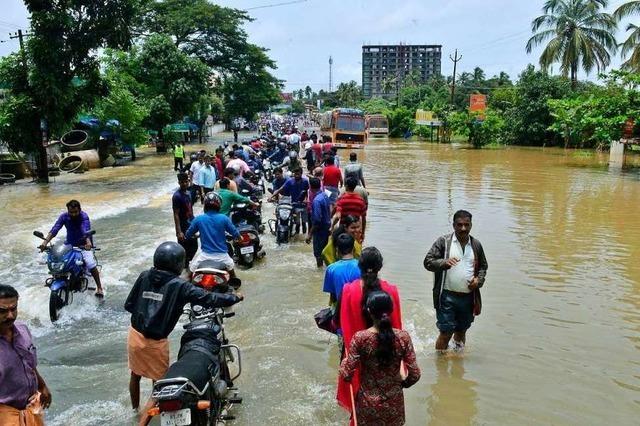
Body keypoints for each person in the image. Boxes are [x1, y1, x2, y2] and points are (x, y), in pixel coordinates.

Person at [124, 242, 243, 425]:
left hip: (135, 335)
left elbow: (129, 305)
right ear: (178, 264)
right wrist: (234, 297)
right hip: (156, 342)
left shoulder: (144, 275)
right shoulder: (179, 285)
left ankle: (135, 411)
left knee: (135, 375)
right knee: (161, 389)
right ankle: (142, 423)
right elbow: (209, 298)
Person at [337, 247, 403, 419]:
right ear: (380, 266)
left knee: (358, 408)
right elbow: (397, 328)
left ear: (360, 266)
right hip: (385, 357)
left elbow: (342, 325)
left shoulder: (348, 291)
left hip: (357, 359)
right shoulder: (392, 291)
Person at [339, 291, 420, 426]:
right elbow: (415, 374)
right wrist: (402, 385)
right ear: (391, 310)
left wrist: (344, 361)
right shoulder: (403, 337)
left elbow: (347, 374)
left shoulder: (360, 338)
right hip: (394, 403)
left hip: (368, 404)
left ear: (369, 311)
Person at [423, 210, 488, 353]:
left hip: (468, 298)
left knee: (461, 332)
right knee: (446, 333)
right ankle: (440, 365)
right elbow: (428, 262)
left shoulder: (476, 245)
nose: (463, 228)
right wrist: (444, 263)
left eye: (466, 225)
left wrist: (479, 280)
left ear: (471, 225)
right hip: (446, 296)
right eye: (459, 225)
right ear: (453, 225)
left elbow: (483, 266)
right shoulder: (443, 242)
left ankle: (457, 365)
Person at [0, 285, 51, 426]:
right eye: (2, 311)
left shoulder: (23, 330)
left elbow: (29, 363)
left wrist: (42, 386)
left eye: (13, 309)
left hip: (29, 408)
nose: (10, 316)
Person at [38, 200, 104, 298]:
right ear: (68, 210)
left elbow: (84, 229)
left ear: (79, 210)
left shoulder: (83, 216)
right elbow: (55, 229)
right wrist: (44, 243)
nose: (73, 214)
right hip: (69, 245)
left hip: (84, 245)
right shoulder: (64, 217)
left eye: (75, 212)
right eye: (71, 212)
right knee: (57, 259)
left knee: (90, 263)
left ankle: (99, 287)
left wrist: (88, 242)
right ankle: (56, 279)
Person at [185, 192, 240, 278]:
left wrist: (195, 235)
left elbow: (188, 234)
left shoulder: (199, 219)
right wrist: (239, 238)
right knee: (234, 278)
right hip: (223, 257)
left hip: (204, 256)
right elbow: (235, 233)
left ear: (205, 205)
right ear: (219, 205)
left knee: (189, 276)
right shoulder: (224, 218)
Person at [322, 233, 360, 307]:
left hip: (340, 309)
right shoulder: (362, 266)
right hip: (357, 308)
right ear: (353, 248)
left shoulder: (331, 269)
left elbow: (333, 296)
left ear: (337, 249)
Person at [172, 173, 197, 270]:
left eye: (186, 182)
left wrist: (195, 223)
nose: (184, 184)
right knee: (184, 249)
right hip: (182, 225)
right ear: (179, 183)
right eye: (182, 182)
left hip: (190, 223)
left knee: (194, 245)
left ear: (188, 181)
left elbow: (190, 209)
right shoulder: (176, 196)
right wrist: (179, 232)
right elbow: (176, 214)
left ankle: (190, 266)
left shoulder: (189, 193)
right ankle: (185, 268)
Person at [306, 178, 331, 267]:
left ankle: (320, 270)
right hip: (326, 227)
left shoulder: (316, 201)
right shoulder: (325, 195)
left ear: (310, 187)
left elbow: (317, 220)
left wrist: (310, 234)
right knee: (324, 251)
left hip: (319, 230)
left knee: (318, 254)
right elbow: (331, 209)